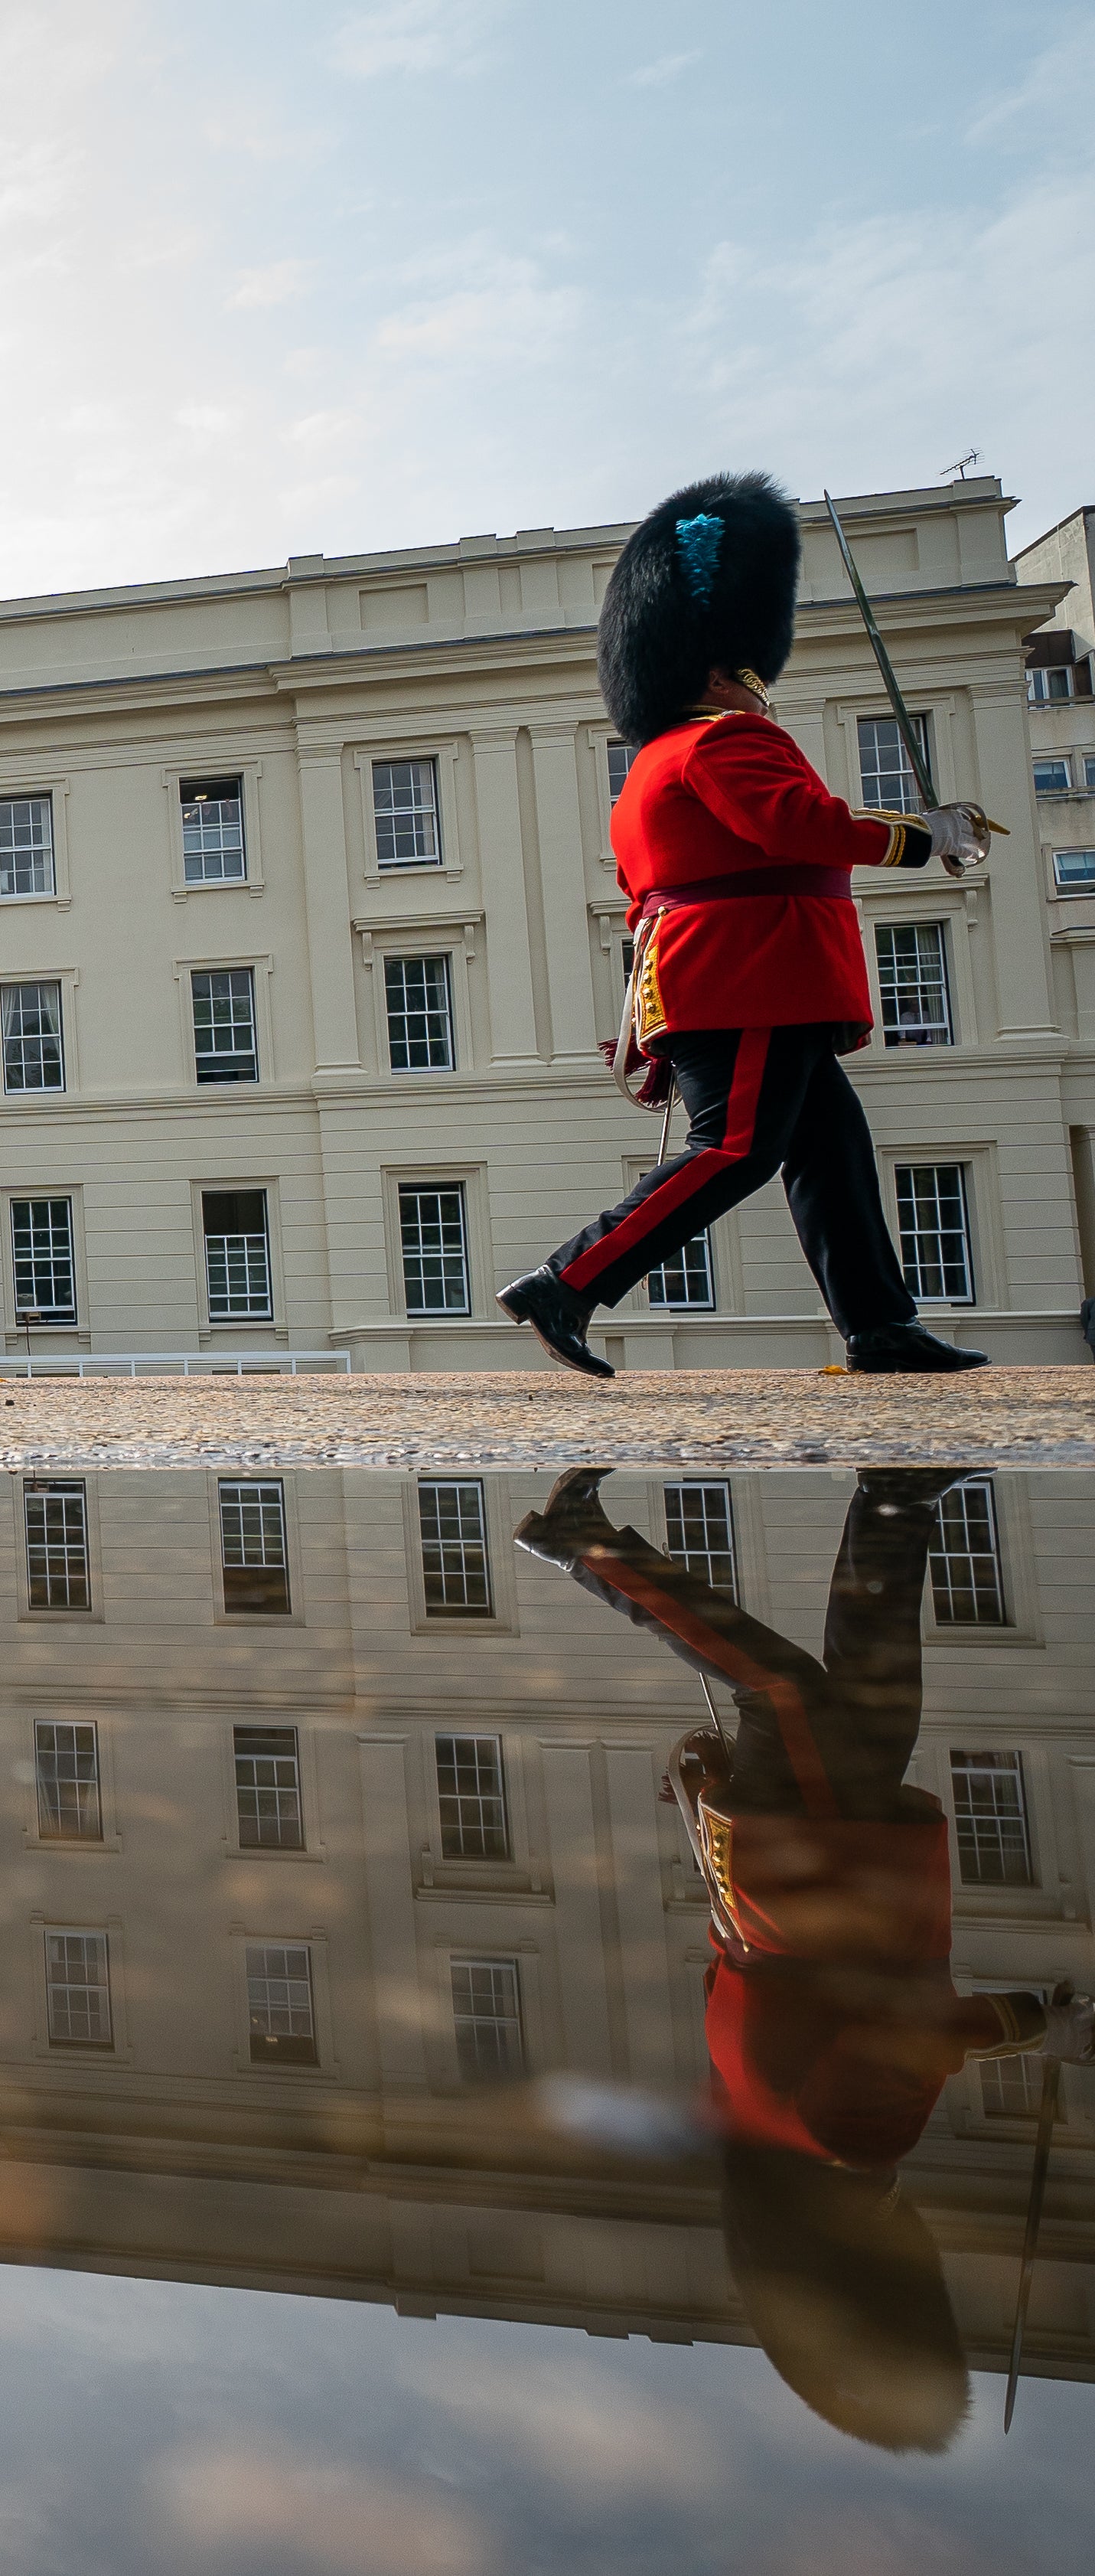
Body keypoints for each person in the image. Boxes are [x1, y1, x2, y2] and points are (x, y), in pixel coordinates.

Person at [516, 1466, 1090, 2448]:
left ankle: (583, 1546)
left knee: (784, 1694)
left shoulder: (857, 2146)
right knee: (872, 1690)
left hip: (828, 1874)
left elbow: (906, 2036)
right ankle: (894, 1502)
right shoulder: (754, 2136)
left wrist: (1039, 2021)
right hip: (782, 1882)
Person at [499, 475, 999, 1378]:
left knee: (833, 1157)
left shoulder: (649, 766)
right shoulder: (727, 739)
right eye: (753, 676)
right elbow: (794, 828)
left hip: (719, 972)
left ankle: (880, 1326)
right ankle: (568, 1279)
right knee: (735, 1149)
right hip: (756, 970)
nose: (763, 695)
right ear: (718, 669)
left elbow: (652, 891)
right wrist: (924, 837)